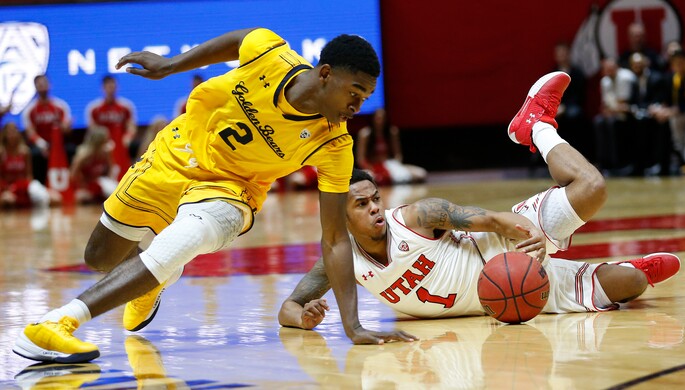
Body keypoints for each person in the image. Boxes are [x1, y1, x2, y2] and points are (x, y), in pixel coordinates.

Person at [12, 27, 414, 364]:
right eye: (355, 93)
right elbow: (237, 40)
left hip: (233, 190)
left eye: (363, 99)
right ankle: (151, 281)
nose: (357, 107)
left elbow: (334, 237)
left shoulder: (335, 145)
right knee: (99, 258)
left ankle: (57, 323)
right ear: (325, 73)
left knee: (185, 238)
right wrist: (171, 65)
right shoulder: (270, 54)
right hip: (177, 151)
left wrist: (353, 325)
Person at [278, 72, 681, 329]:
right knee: (633, 283)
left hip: (505, 253)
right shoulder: (338, 256)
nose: (375, 209)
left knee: (592, 188)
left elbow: (495, 221)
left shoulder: (420, 215)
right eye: (361, 205)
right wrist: (304, 318)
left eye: (375, 199)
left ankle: (535, 126)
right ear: (340, 215)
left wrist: (534, 235)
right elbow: (289, 309)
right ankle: (629, 267)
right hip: (514, 299)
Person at [20, 75, 73, 185]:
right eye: (39, 84)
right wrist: (43, 146)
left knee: (72, 150)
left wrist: (66, 127)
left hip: (59, 144)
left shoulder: (60, 106)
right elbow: (30, 133)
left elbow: (66, 129)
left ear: (49, 85)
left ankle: (70, 184)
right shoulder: (30, 110)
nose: (42, 86)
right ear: (35, 87)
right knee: (35, 155)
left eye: (44, 83)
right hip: (41, 146)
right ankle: (40, 185)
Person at [84, 75, 138, 179]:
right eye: (108, 86)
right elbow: (92, 130)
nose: (111, 88)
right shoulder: (94, 108)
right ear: (103, 88)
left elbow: (132, 127)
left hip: (121, 144)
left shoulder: (126, 107)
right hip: (102, 146)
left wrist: (127, 138)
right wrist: (103, 143)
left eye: (113, 85)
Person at [355, 108, 426, 185]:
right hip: (372, 167)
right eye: (378, 118)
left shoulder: (392, 132)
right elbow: (361, 159)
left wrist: (395, 166)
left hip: (390, 165)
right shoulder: (365, 134)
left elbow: (398, 155)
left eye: (383, 118)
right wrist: (372, 169)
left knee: (420, 174)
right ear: (373, 119)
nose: (380, 121)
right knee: (370, 178)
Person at [0, 121, 58, 208]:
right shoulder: (1, 153)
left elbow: (29, 175)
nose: (12, 135)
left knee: (55, 199)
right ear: (4, 135)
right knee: (7, 200)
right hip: (6, 188)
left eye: (14, 131)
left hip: (23, 187)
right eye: (9, 132)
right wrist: (6, 189)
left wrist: (25, 189)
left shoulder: (25, 152)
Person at [70, 125, 118, 204]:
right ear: (99, 141)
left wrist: (110, 180)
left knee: (115, 192)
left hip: (99, 184)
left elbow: (111, 168)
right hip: (86, 187)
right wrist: (82, 188)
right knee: (80, 197)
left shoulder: (106, 153)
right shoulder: (84, 156)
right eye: (106, 140)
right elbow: (73, 175)